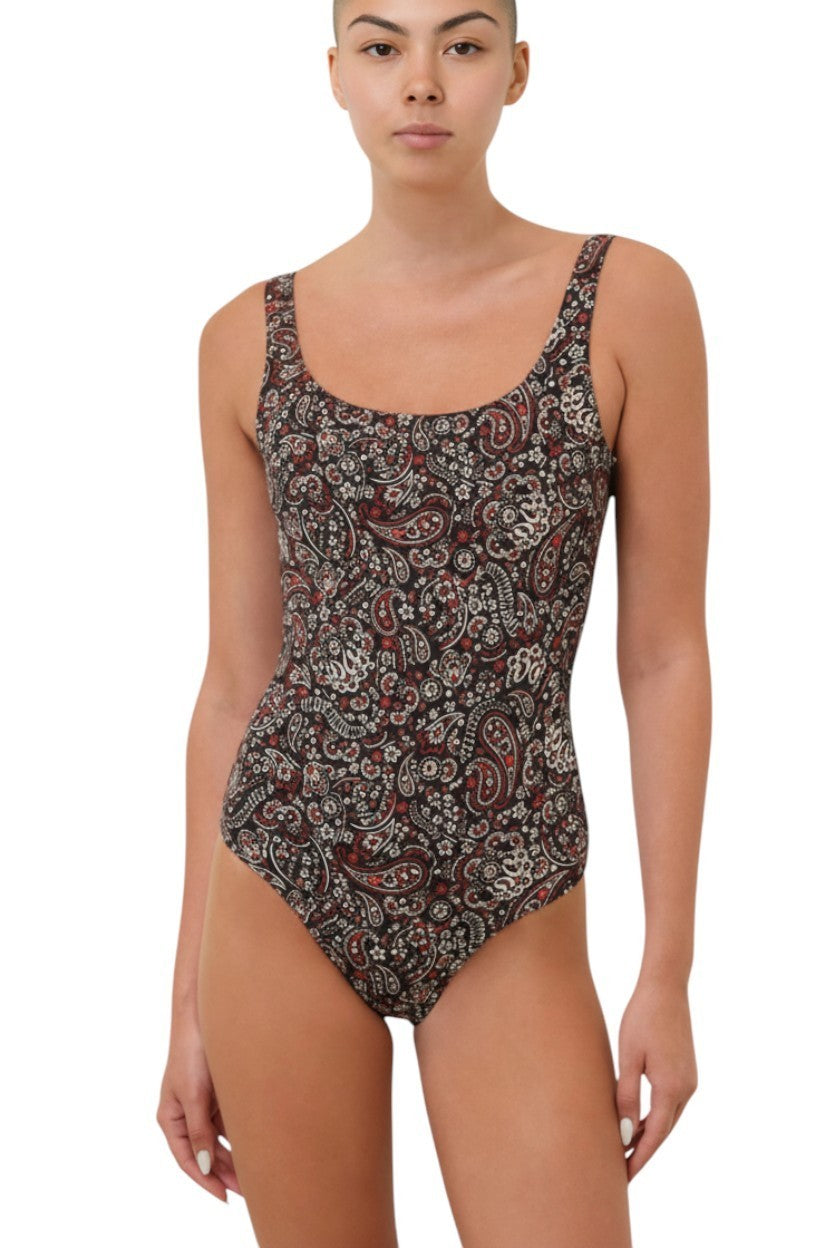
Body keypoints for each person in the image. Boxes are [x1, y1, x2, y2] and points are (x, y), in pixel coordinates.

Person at [157, 1, 710, 1243]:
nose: (420, 81)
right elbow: (235, 684)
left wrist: (666, 968)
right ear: (335, 75)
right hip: (282, 879)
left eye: (461, 45)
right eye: (380, 46)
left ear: (516, 71)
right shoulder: (245, 340)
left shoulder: (628, 300)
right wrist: (187, 998)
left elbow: (664, 654)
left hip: (512, 888)